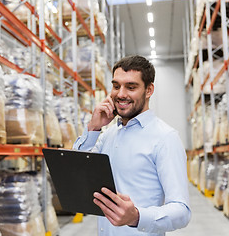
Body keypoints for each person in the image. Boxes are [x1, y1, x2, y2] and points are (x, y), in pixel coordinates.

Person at [73, 55, 191, 235]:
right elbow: (78, 173)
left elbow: (182, 211)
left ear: (149, 90)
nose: (120, 94)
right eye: (116, 86)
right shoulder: (108, 135)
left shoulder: (165, 138)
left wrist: (136, 217)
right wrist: (93, 128)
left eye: (131, 87)